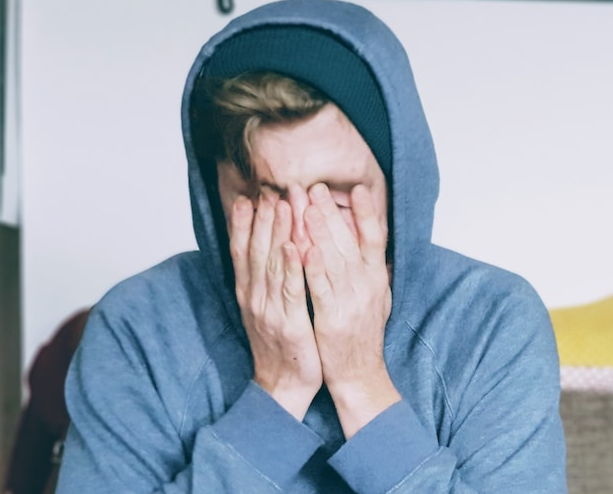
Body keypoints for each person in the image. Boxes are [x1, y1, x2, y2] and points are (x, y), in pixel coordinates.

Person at [55, 1, 567, 493]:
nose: (300, 238)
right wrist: (277, 394)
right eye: (265, 197)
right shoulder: (138, 327)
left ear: (399, 186)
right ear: (215, 197)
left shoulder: (493, 320)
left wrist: (360, 381)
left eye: (337, 197)